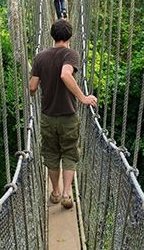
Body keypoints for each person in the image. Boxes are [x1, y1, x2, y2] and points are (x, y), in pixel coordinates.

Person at [29, 19, 97, 209]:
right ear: (69, 36)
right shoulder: (70, 54)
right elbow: (65, 74)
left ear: (52, 35)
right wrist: (83, 97)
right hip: (68, 115)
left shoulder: (40, 57)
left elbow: (32, 87)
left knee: (51, 154)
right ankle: (67, 193)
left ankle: (56, 192)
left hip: (48, 116)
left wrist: (39, 88)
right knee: (69, 152)